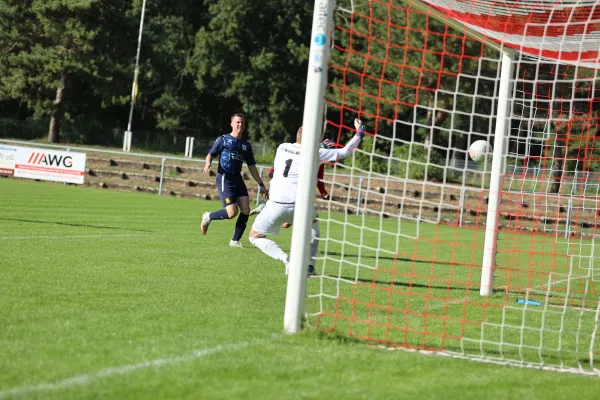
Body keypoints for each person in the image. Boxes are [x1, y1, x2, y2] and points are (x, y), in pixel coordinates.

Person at [248, 118, 366, 275]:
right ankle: (309, 266)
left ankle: (286, 259)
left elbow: (278, 168)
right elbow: (346, 151)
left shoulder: (282, 148)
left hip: (275, 205)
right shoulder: (316, 152)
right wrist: (360, 132)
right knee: (314, 224)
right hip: (300, 207)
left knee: (254, 237)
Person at [201, 113, 268, 247]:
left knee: (245, 210)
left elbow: (252, 167)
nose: (240, 125)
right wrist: (208, 163)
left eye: (242, 122)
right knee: (231, 213)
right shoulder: (223, 140)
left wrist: (261, 183)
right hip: (225, 178)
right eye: (237, 122)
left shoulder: (246, 145)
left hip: (238, 179)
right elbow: (210, 154)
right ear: (231, 124)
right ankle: (208, 216)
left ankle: (235, 241)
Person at [248, 138, 334, 217]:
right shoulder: (315, 158)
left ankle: (265, 207)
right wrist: (323, 192)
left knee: (287, 221)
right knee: (311, 218)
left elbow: (285, 160)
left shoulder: (295, 149)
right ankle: (265, 208)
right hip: (297, 188)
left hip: (285, 184)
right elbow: (319, 178)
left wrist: (272, 169)